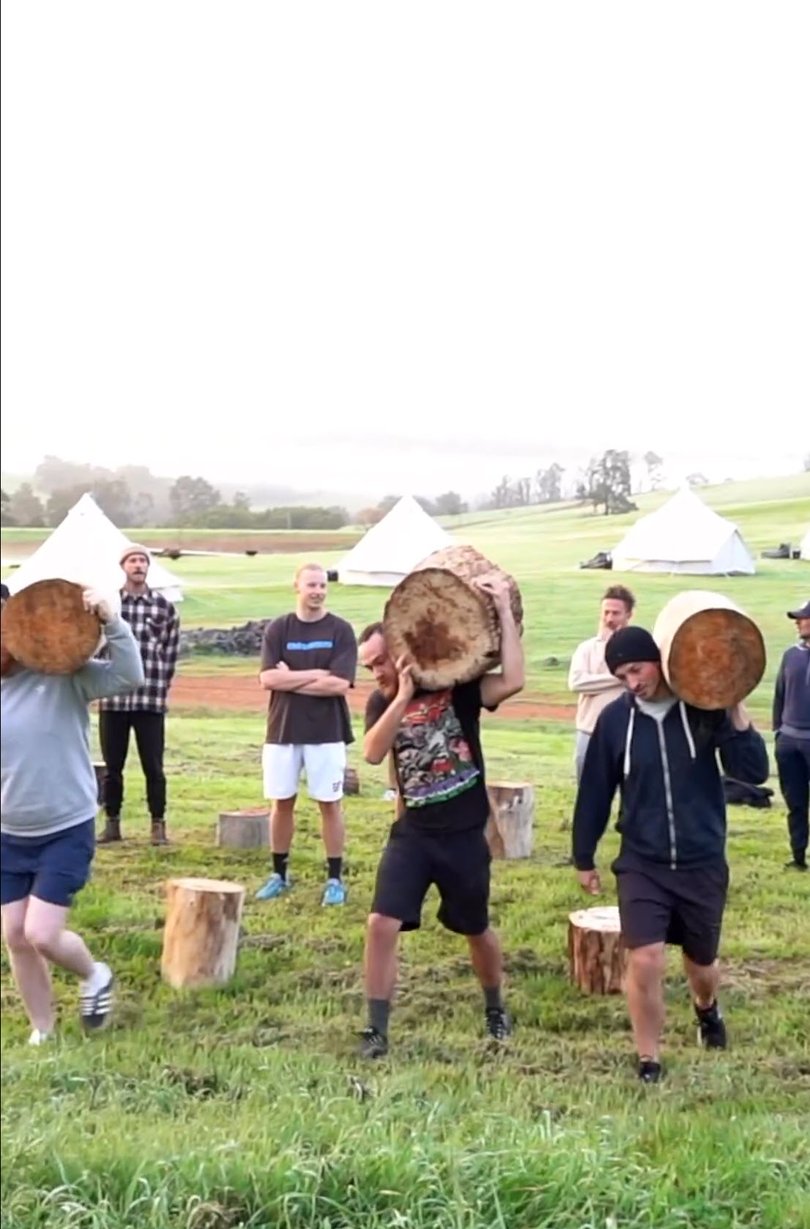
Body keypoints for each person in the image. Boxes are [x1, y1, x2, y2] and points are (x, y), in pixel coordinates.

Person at [572, 625, 769, 1084]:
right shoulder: (615, 721)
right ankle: (649, 1059)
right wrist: (583, 855)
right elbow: (595, 793)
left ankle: (706, 1008)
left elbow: (754, 770)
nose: (632, 682)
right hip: (643, 862)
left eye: (636, 669)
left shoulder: (703, 709)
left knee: (702, 965)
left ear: (659, 660)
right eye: (621, 675)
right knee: (645, 958)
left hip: (702, 860)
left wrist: (734, 705)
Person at [356, 576, 524, 1059]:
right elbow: (371, 753)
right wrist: (401, 695)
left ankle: (495, 1007)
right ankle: (377, 1029)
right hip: (412, 836)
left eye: (380, 662)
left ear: (402, 647)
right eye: (368, 668)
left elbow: (512, 681)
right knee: (381, 923)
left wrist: (504, 615)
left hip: (464, 836)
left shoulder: (457, 687)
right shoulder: (381, 701)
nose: (376, 673)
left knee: (476, 929)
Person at [1, 587, 144, 1044]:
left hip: (64, 827)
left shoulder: (65, 675)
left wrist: (112, 622)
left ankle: (94, 973)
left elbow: (129, 676)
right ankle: (42, 1030)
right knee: (15, 936)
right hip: (7, 833)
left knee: (41, 934)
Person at [255, 563, 358, 906]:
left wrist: (292, 677)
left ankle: (334, 879)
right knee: (281, 803)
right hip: (283, 730)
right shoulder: (279, 629)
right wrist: (316, 673)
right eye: (311, 585)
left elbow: (339, 684)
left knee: (330, 805)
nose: (317, 591)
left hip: (327, 733)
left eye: (323, 586)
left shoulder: (341, 630)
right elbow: (268, 679)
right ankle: (279, 874)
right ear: (296, 586)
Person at [97, 544, 181, 846]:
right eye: (133, 560)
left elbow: (171, 650)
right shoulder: (109, 606)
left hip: (150, 699)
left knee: (154, 766)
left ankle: (157, 825)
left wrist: (161, 684)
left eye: (143, 561)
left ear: (149, 567)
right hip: (114, 699)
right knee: (112, 767)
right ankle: (112, 824)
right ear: (123, 566)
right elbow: (96, 647)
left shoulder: (163, 606)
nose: (138, 565)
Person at [568, 585, 636, 782]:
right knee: (587, 792)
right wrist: (620, 677)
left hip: (627, 732)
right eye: (606, 612)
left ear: (628, 615)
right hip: (589, 731)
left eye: (616, 613)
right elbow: (577, 683)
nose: (609, 619)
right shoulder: (587, 648)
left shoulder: (636, 648)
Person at [773, 599, 810, 871]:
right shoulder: (790, 655)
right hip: (789, 740)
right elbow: (779, 695)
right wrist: (778, 732)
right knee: (795, 803)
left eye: (803, 618)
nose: (798, 622)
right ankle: (798, 857)